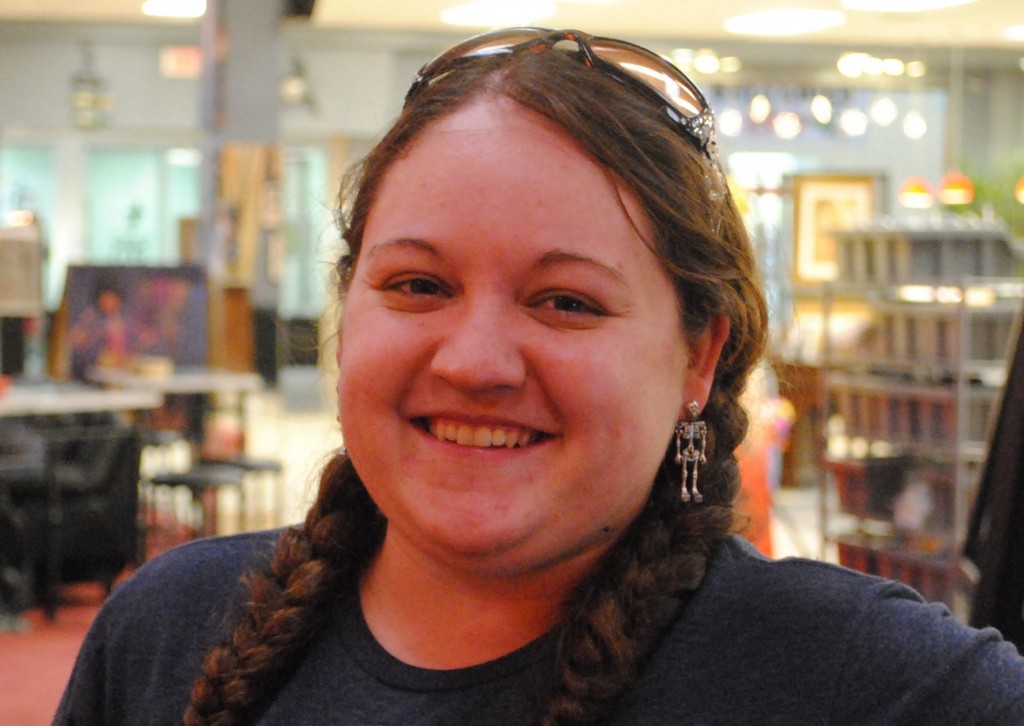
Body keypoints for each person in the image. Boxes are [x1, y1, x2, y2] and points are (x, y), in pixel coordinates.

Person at [55, 28, 1024, 725]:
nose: (474, 361)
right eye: (418, 284)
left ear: (699, 358)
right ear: (347, 310)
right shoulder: (166, 631)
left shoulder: (851, 680)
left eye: (565, 301)